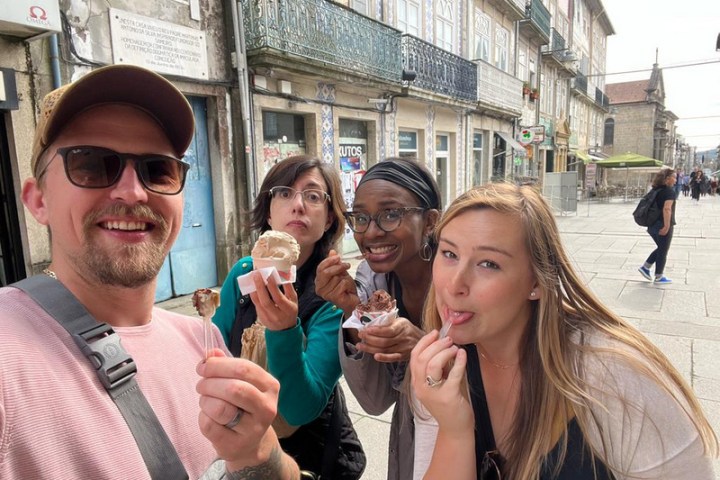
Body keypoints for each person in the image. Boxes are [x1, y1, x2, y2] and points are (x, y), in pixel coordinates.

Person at [0, 64, 299, 479]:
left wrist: (257, 453)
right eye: (91, 164)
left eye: (157, 169)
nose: (133, 191)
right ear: (37, 200)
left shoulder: (203, 339)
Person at [409, 182, 717, 480]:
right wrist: (454, 431)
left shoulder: (614, 377)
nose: (454, 284)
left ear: (536, 283)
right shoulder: (440, 371)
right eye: (449, 254)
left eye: (489, 263)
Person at [212, 155, 365, 478]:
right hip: (245, 448)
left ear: (328, 220)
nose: (298, 206)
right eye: (284, 193)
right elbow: (216, 349)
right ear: (268, 212)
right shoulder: (243, 274)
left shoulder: (332, 293)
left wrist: (282, 330)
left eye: (312, 196)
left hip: (312, 456)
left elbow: (300, 408)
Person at [315, 157, 442, 480]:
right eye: (360, 217)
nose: (371, 232)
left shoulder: (459, 279)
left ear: (430, 221)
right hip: (411, 439)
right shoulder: (372, 281)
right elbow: (374, 400)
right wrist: (352, 311)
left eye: (390, 214)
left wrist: (427, 348)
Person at [638, 168, 677, 284]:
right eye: (674, 177)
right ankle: (659, 276)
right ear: (667, 179)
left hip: (652, 225)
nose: (675, 180)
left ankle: (646, 267)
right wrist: (666, 225)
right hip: (662, 224)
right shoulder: (669, 191)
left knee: (661, 248)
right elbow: (667, 209)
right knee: (663, 250)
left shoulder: (655, 189)